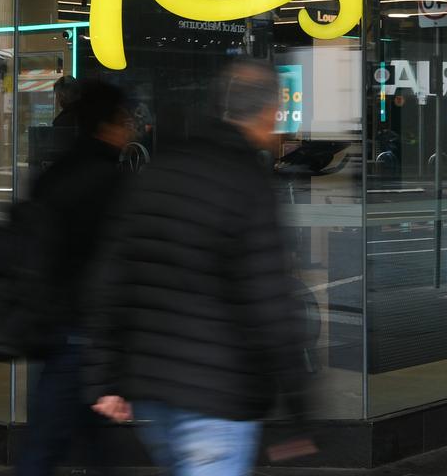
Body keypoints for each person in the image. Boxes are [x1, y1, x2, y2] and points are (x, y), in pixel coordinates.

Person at [86, 60, 308, 475]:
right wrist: (298, 401)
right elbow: (270, 299)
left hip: (154, 385)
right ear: (267, 113)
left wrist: (106, 376)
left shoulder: (158, 169)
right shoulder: (246, 181)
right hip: (218, 393)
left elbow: (112, 276)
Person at [15, 80, 134, 476]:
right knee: (53, 447)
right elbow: (115, 266)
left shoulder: (58, 172)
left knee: (70, 442)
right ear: (108, 124)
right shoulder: (109, 181)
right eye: (125, 120)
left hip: (58, 324)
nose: (130, 129)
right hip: (83, 333)